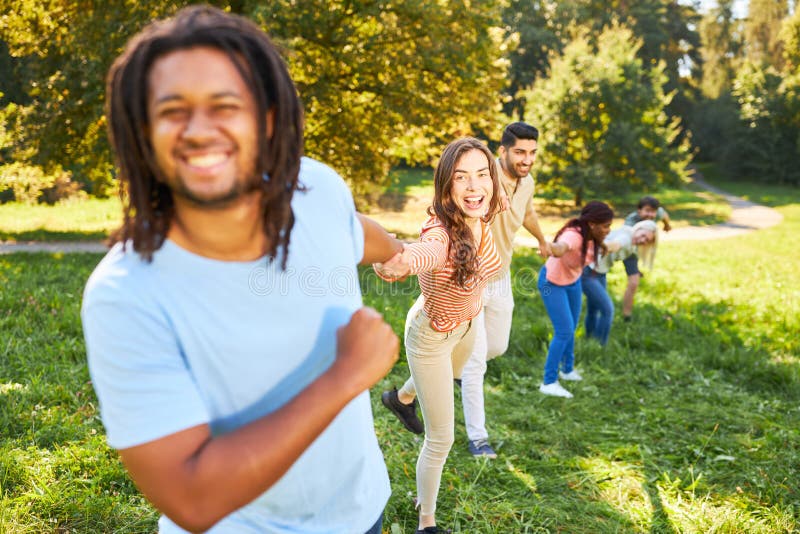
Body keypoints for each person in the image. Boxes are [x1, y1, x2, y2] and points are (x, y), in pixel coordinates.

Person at [81, 7, 405, 533]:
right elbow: (191, 498)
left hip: (360, 511)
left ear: (268, 119)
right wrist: (346, 375)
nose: (200, 129)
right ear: (143, 133)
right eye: (172, 110)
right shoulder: (124, 294)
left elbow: (350, 229)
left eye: (225, 105)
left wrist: (399, 248)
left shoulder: (317, 188)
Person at [376, 122, 551, 460]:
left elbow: (525, 211)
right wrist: (404, 257)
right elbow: (433, 241)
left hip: (497, 274)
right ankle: (478, 438)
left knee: (495, 347)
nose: (526, 159)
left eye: (532, 153)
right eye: (519, 152)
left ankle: (406, 394)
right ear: (503, 151)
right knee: (473, 364)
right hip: (461, 280)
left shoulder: (526, 182)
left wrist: (543, 239)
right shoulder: (480, 176)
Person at [374, 137, 502, 534]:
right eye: (461, 177)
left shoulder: (481, 213)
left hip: (467, 325)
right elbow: (424, 251)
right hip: (431, 336)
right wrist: (402, 261)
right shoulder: (442, 234)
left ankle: (401, 397)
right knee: (442, 438)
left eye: (482, 175)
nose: (474, 186)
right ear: (446, 186)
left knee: (449, 376)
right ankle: (425, 521)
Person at [537, 201, 614, 398]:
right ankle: (549, 381)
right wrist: (551, 247)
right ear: (592, 224)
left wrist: (605, 244)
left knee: (571, 326)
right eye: (605, 226)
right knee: (564, 331)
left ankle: (567, 369)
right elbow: (562, 247)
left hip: (573, 281)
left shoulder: (592, 236)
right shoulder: (574, 235)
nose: (608, 230)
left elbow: (600, 244)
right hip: (551, 283)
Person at [582, 220, 659, 345]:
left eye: (647, 240)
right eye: (643, 235)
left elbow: (630, 258)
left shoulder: (633, 245)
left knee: (594, 308)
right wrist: (606, 247)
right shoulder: (627, 236)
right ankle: (600, 346)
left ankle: (589, 340)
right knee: (607, 310)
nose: (643, 240)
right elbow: (618, 244)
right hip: (588, 272)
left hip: (600, 273)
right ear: (639, 228)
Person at [621, 196, 671, 320]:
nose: (650, 214)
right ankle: (627, 315)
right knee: (634, 282)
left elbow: (664, 214)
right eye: (647, 211)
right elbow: (626, 242)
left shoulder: (657, 212)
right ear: (639, 211)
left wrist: (667, 225)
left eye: (653, 211)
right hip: (630, 252)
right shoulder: (630, 222)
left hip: (642, 248)